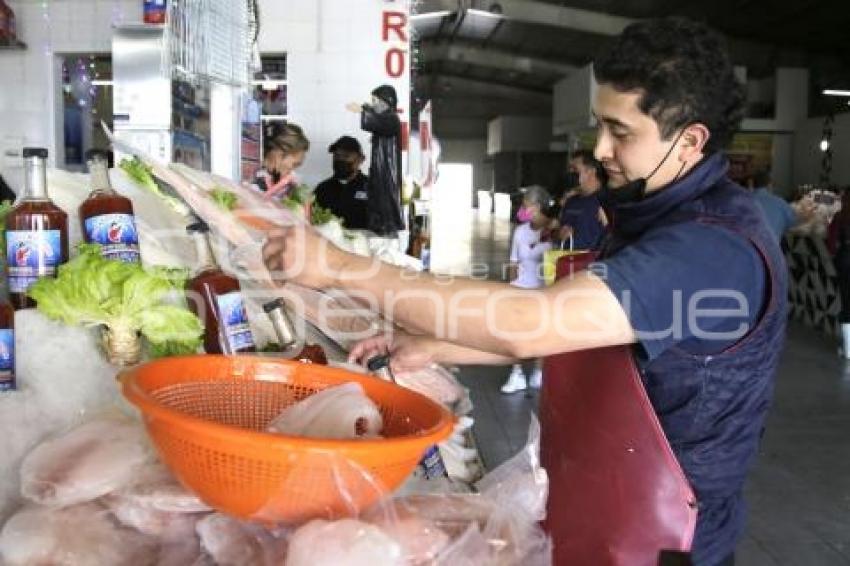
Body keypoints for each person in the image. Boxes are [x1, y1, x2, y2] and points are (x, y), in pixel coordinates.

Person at [264, 17, 785, 565]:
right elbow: (588, 338)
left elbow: (529, 323)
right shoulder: (652, 218)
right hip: (598, 505)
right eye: (599, 126)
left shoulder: (709, 250)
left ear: (690, 141)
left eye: (621, 132)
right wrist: (436, 345)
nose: (600, 149)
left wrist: (344, 269)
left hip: (661, 541)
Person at [502, 186, 555, 393]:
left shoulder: (553, 231)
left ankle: (538, 371)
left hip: (543, 288)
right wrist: (509, 289)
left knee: (539, 331)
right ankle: (516, 374)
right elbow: (514, 261)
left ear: (538, 206)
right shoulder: (520, 231)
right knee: (514, 331)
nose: (522, 210)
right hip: (520, 286)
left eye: (525, 206)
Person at [346, 85, 404, 236]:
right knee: (378, 199)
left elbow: (377, 121)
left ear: (386, 101)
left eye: (375, 100)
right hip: (380, 171)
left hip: (385, 173)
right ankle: (380, 226)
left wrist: (362, 110)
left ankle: (386, 227)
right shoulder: (386, 119)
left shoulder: (391, 118)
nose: (372, 104)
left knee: (385, 202)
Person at [313, 136, 370, 230]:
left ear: (361, 159)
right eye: (337, 156)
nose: (340, 160)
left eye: (346, 156)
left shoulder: (373, 188)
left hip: (363, 242)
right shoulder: (322, 189)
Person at [559, 149, 609, 250]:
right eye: (570, 169)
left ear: (591, 171)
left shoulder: (607, 200)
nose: (571, 173)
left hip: (595, 262)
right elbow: (558, 230)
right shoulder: (571, 201)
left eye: (575, 169)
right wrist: (559, 233)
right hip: (568, 260)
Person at [253, 122, 309, 199]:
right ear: (278, 154)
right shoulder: (253, 180)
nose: (292, 171)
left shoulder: (280, 183)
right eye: (294, 165)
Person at [749, 170, 807, 243]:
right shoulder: (779, 203)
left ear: (752, 184)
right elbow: (794, 222)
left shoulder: (742, 201)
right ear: (769, 184)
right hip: (769, 251)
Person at [827, 188, 850, 359]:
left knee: (847, 302)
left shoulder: (839, 217)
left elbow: (832, 245)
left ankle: (849, 349)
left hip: (845, 260)